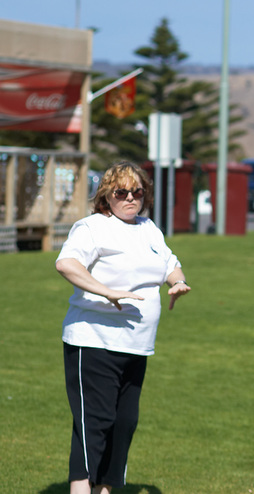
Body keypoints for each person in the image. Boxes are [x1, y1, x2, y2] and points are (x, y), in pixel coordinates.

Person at [55, 161, 191, 494]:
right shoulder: (92, 227)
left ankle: (105, 489)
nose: (130, 198)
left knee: (124, 424)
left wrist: (178, 282)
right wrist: (105, 290)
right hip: (94, 339)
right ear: (106, 195)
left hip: (137, 344)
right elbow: (66, 263)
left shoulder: (148, 227)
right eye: (121, 192)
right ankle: (80, 488)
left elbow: (170, 263)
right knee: (95, 424)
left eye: (137, 192)